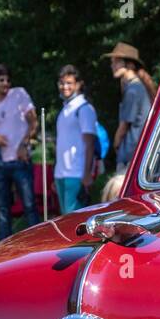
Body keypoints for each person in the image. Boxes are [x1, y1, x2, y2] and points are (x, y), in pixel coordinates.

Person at [0, 63, 39, 240]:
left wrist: (24, 144)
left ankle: (38, 242)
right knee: (2, 210)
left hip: (21, 160)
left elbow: (33, 122)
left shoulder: (19, 94)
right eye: (1, 80)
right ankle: (5, 247)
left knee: (29, 205)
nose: (6, 83)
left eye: (8, 80)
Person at [101, 42, 156, 201]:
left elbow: (124, 125)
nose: (112, 65)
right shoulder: (137, 87)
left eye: (117, 61)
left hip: (130, 154)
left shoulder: (133, 89)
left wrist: (116, 143)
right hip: (136, 152)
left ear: (130, 64)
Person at [53, 65, 98, 214]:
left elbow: (90, 143)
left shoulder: (84, 108)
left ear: (78, 84)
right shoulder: (65, 109)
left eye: (69, 83)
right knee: (65, 218)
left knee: (74, 219)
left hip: (76, 173)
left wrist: (87, 174)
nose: (64, 87)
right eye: (62, 83)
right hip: (61, 173)